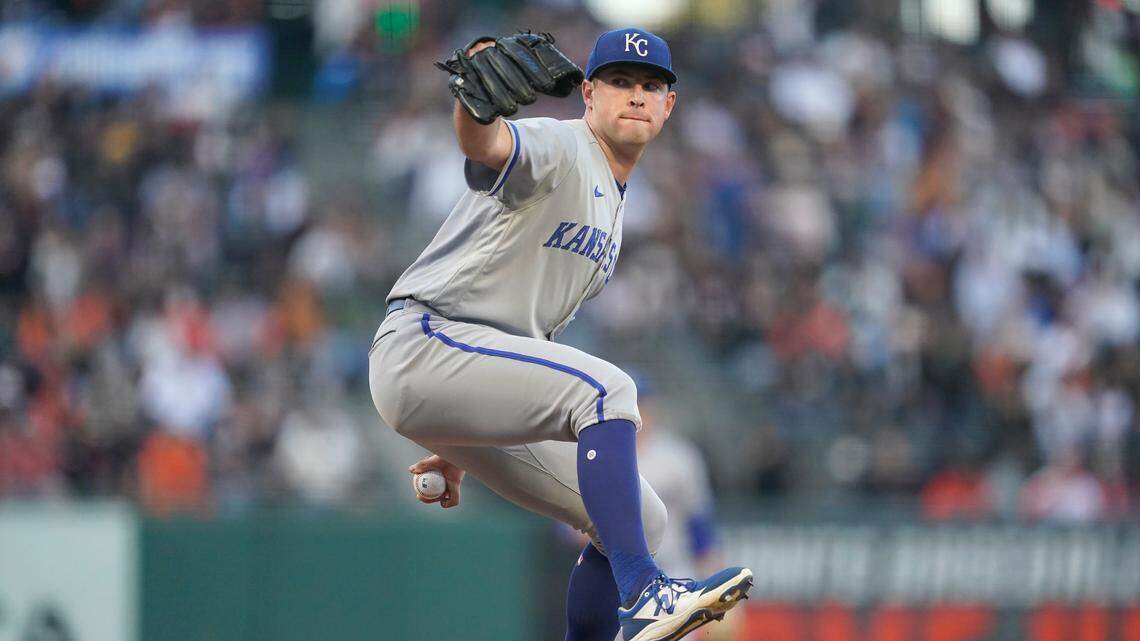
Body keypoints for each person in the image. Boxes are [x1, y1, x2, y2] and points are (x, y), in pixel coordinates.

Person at [368, 27, 752, 641]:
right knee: (606, 390)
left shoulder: (615, 204)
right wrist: (476, 105)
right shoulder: (564, 146)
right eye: (620, 83)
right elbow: (488, 145)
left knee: (642, 519)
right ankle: (648, 592)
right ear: (589, 95)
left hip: (467, 368)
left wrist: (468, 429)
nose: (636, 96)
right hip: (427, 341)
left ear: (668, 106)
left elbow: (529, 336)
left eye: (651, 86)